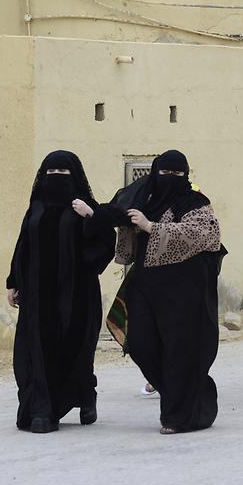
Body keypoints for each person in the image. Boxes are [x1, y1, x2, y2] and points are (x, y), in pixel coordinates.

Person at [73, 150, 223, 434]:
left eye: (177, 175)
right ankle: (190, 395)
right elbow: (120, 215)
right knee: (140, 343)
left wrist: (151, 226)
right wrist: (94, 214)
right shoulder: (144, 197)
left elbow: (207, 235)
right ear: (155, 173)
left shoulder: (196, 202)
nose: (170, 179)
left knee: (179, 349)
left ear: (186, 175)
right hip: (144, 284)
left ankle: (177, 417)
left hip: (183, 291)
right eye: (164, 173)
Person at [6, 151, 115, 433]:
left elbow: (105, 244)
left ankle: (86, 395)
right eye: (50, 173)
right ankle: (43, 410)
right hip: (37, 295)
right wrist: (13, 282)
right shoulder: (36, 207)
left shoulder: (84, 206)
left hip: (76, 295)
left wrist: (91, 217)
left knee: (74, 348)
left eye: (63, 174)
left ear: (74, 176)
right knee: (38, 350)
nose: (55, 179)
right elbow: (23, 245)